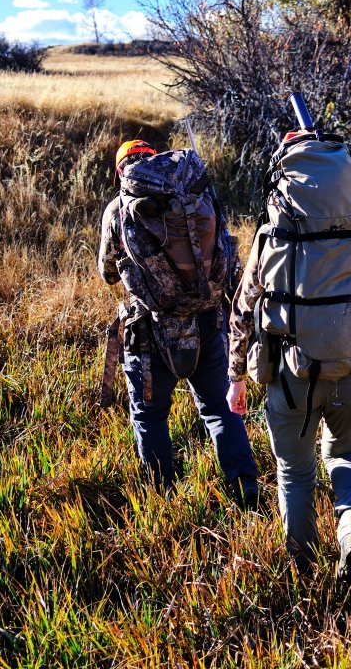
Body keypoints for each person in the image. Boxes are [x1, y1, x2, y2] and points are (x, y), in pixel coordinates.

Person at [226, 128, 351, 585]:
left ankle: (303, 569)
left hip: (289, 376)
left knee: (294, 470)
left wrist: (235, 375)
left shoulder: (273, 235)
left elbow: (243, 308)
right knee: (347, 456)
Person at [98, 139, 260, 506]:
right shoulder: (197, 197)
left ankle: (163, 498)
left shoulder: (117, 210)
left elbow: (107, 273)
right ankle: (245, 485)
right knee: (219, 408)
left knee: (150, 415)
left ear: (121, 171)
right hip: (208, 321)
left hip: (150, 330)